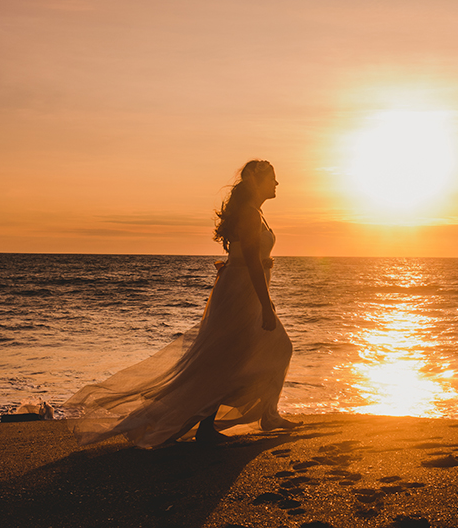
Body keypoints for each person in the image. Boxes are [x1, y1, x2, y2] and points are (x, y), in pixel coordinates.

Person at [64, 159, 299, 448]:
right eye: (273, 179)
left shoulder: (257, 213)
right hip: (241, 292)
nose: (277, 184)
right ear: (258, 182)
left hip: (245, 290)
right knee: (234, 356)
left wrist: (265, 299)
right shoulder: (250, 214)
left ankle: (262, 415)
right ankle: (246, 419)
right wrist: (265, 303)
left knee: (241, 355)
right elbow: (251, 261)